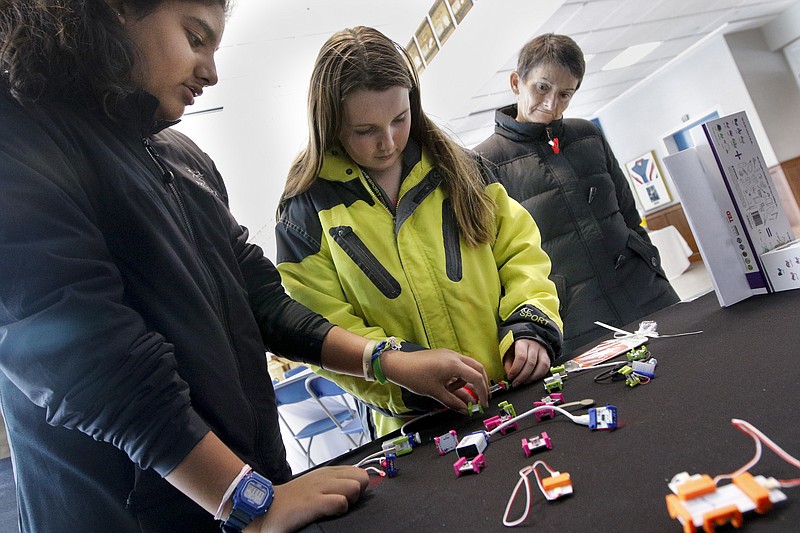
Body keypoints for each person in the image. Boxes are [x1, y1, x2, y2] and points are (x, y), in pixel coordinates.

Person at [0, 2, 492, 532]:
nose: (211, 71)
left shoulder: (180, 155)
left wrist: (387, 360)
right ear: (119, 11)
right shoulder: (19, 138)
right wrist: (247, 500)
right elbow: (90, 365)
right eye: (194, 38)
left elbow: (263, 301)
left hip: (245, 495)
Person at [275, 26, 563, 438]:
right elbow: (324, 332)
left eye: (399, 118)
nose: (388, 142)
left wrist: (530, 326)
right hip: (416, 426)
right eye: (365, 130)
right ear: (330, 123)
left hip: (512, 390)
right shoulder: (303, 212)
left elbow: (519, 252)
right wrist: (405, 376)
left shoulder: (461, 166)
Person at [474, 33, 680, 357]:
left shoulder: (588, 134)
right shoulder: (485, 163)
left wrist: (649, 262)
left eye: (565, 94)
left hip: (647, 293)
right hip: (574, 321)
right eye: (542, 88)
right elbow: (499, 264)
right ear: (517, 82)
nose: (551, 105)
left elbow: (628, 213)